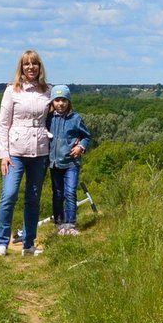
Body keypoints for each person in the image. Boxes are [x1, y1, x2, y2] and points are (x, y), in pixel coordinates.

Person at [0, 49, 52, 256]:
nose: (31, 68)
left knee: (33, 199)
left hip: (40, 151)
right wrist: (4, 154)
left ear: (39, 67)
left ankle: (28, 244)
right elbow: (3, 124)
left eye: (34, 64)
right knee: (9, 195)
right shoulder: (12, 91)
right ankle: (2, 242)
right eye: (27, 64)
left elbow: (58, 117)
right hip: (15, 152)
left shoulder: (48, 91)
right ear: (21, 67)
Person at [47, 84, 91, 236]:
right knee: (57, 194)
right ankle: (59, 225)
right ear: (52, 102)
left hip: (71, 162)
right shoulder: (49, 118)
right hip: (54, 163)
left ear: (69, 102)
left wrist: (81, 147)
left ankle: (71, 224)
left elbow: (86, 136)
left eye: (64, 100)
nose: (60, 103)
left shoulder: (75, 118)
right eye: (57, 100)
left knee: (70, 192)